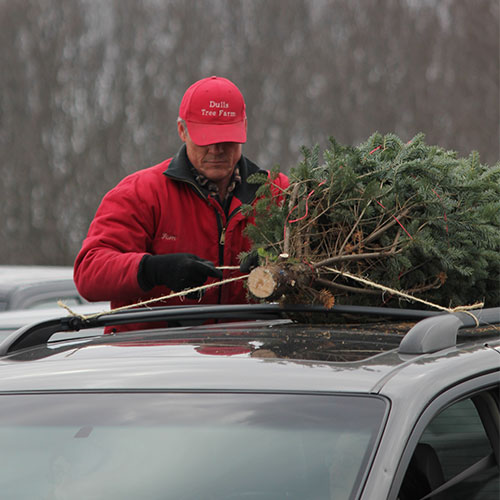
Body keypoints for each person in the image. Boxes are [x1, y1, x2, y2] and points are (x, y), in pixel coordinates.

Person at [74, 76, 289, 332]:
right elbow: (89, 272)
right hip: (154, 361)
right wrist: (153, 270)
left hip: (247, 362)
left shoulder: (279, 194)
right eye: (206, 138)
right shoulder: (141, 193)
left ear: (244, 128)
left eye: (226, 138)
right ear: (182, 131)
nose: (217, 149)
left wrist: (283, 266)